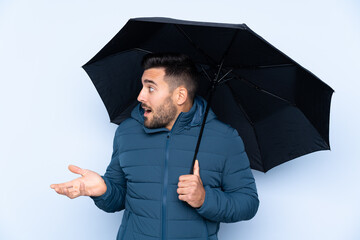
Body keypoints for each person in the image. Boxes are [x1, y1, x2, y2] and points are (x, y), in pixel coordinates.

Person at [50, 52, 259, 240]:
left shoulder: (224, 138)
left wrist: (204, 199)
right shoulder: (127, 132)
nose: (140, 96)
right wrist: (103, 190)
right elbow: (118, 197)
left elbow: (248, 203)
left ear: (180, 95)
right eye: (142, 86)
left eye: (150, 88)